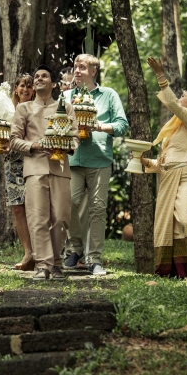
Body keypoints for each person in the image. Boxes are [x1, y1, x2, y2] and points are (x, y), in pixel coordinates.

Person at [139, 56, 187, 281]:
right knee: (170, 227)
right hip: (167, 176)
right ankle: (181, 273)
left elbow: (171, 102)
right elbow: (164, 162)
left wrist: (160, 75)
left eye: (183, 95)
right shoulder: (174, 130)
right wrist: (146, 162)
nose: (180, 98)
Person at [10, 65, 78, 280]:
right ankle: (43, 265)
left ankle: (57, 263)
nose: (39, 79)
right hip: (34, 168)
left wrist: (62, 145)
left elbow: (75, 139)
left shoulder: (65, 108)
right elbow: (13, 140)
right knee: (38, 219)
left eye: (44, 76)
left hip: (59, 168)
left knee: (61, 218)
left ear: (54, 84)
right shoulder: (24, 109)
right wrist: (35, 145)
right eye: (37, 76)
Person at [63, 54, 129, 276]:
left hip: (99, 161)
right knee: (70, 204)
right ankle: (75, 249)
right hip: (72, 160)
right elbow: (56, 125)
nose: (77, 71)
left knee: (98, 209)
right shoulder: (66, 96)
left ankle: (95, 260)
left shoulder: (108, 95)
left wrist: (99, 127)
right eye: (75, 67)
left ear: (93, 71)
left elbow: (122, 125)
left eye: (82, 67)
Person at [3, 74, 35, 271]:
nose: (25, 89)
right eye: (22, 85)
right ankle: (28, 253)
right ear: (16, 88)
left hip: (34, 160)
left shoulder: (37, 108)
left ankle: (41, 252)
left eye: (29, 86)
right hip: (13, 162)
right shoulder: (7, 110)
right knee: (17, 208)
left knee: (35, 207)